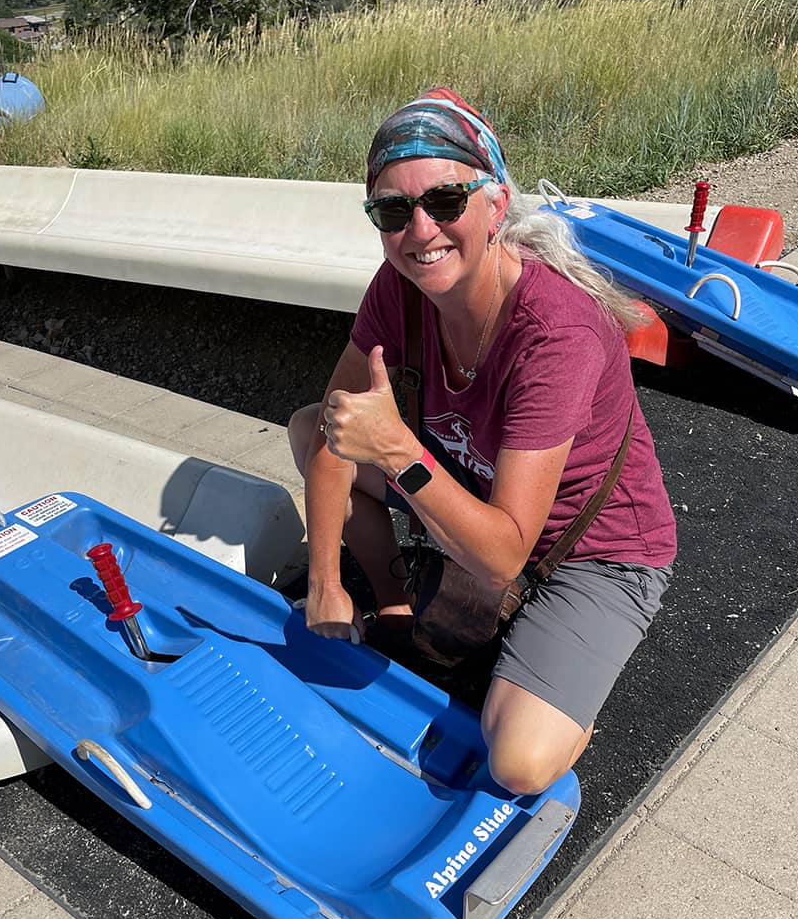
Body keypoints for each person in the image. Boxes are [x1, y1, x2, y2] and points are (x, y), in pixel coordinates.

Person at [288, 88, 676, 796]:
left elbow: (502, 555)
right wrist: (326, 587)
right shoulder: (398, 288)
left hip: (594, 551)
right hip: (479, 491)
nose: (420, 230)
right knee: (312, 426)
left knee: (518, 763)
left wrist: (399, 450)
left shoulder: (555, 333)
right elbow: (329, 432)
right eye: (394, 210)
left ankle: (560, 681)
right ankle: (398, 601)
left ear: (495, 206)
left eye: (444, 201)